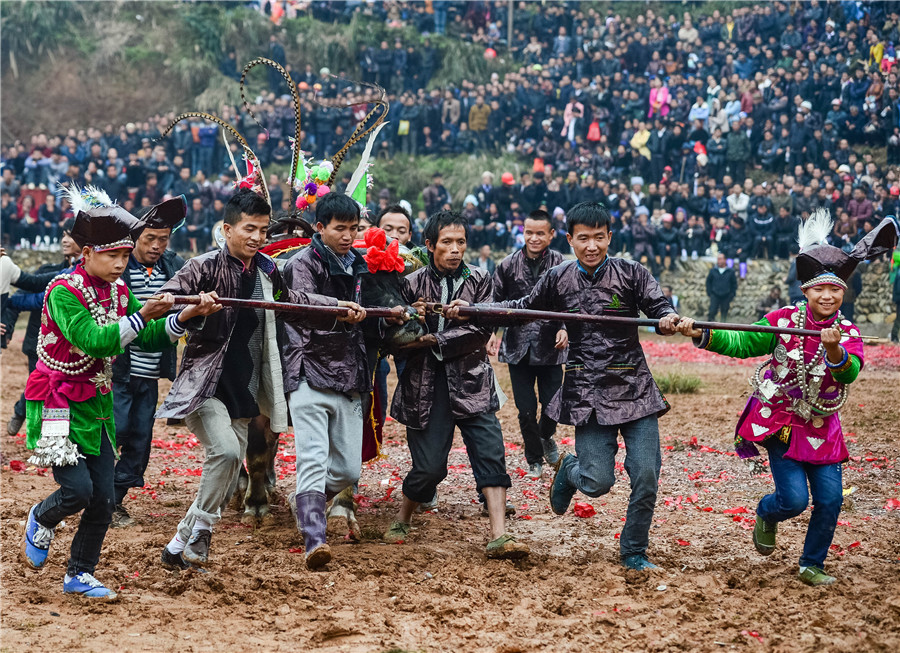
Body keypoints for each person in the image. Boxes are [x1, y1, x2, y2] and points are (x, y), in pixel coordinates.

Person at [446, 202, 680, 570]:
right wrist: (474, 310)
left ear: (610, 238)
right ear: (570, 240)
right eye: (583, 239)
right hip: (588, 393)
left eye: (599, 238)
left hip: (635, 389)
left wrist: (666, 318)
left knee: (647, 475)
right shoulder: (558, 278)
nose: (591, 246)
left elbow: (658, 305)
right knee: (596, 481)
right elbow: (521, 307)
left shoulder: (632, 272)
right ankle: (569, 470)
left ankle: (634, 550)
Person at [677, 212, 898, 586]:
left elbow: (850, 373)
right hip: (778, 422)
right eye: (818, 289)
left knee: (830, 501)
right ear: (805, 291)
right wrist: (704, 334)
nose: (827, 296)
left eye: (835, 290)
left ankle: (812, 563)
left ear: (843, 293)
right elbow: (744, 342)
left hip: (823, 427)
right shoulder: (782, 319)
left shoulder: (848, 332)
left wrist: (835, 354)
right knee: (793, 501)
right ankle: (767, 512)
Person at [21, 191, 215, 599]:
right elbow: (94, 341)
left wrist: (183, 316)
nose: (121, 265)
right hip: (57, 403)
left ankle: (80, 573)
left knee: (104, 499)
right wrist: (143, 313)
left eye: (126, 257)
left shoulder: (116, 291)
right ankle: (41, 516)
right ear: (88, 252)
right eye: (114, 257)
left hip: (98, 405)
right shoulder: (63, 291)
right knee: (77, 491)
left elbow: (144, 337)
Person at [154, 189, 355, 569]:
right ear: (227, 229)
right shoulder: (202, 268)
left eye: (263, 230)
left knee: (228, 470)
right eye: (250, 229)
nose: (258, 238)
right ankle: (198, 532)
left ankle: (184, 540)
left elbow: (293, 303)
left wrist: (338, 308)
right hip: (206, 386)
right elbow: (165, 307)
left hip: (246, 392)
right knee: (228, 453)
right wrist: (193, 311)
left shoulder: (267, 270)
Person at [382, 210, 530, 560]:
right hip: (425, 387)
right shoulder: (410, 283)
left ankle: (499, 534)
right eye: (446, 242)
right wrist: (409, 317)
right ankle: (403, 516)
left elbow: (481, 330)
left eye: (460, 242)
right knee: (430, 467)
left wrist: (434, 339)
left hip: (473, 383)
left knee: (491, 453)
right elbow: (392, 337)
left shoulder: (480, 280)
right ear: (430, 245)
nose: (454, 249)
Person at [281, 193, 374, 570]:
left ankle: (305, 499)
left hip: (349, 373)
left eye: (354, 229)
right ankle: (314, 540)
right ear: (319, 228)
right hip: (308, 368)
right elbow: (301, 303)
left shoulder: (362, 266)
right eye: (340, 228)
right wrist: (338, 310)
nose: (348, 236)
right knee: (314, 458)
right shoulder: (300, 263)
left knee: (349, 470)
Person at [110, 197, 187, 527]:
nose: (157, 246)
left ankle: (114, 499)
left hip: (152, 371)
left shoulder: (174, 265)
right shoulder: (116, 265)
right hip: (119, 369)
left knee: (140, 440)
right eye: (149, 239)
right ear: (136, 237)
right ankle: (95, 493)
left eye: (163, 239)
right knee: (116, 431)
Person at [489, 209, 566, 479]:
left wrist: (565, 328)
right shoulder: (507, 265)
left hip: (551, 345)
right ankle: (534, 458)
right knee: (525, 410)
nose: (534, 238)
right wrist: (491, 332)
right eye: (529, 233)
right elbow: (493, 303)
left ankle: (546, 436)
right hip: (517, 346)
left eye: (540, 233)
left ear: (551, 235)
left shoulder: (562, 265)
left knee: (554, 403)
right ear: (523, 233)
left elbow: (571, 302)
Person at [5, 220, 80, 438]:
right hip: (40, 343)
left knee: (63, 386)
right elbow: (23, 299)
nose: (65, 240)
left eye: (70, 236)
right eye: (63, 235)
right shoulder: (48, 272)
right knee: (41, 384)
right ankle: (32, 422)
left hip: (70, 345)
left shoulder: (85, 274)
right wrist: (7, 328)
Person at [706, 252, 738, 321]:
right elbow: (708, 282)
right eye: (718, 259)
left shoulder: (730, 271)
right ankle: (710, 329)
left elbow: (734, 284)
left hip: (726, 295)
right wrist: (710, 293)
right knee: (712, 311)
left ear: (725, 260)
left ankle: (723, 329)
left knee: (724, 313)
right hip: (715, 294)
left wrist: (732, 294)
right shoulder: (713, 271)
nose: (719, 261)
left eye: (720, 259)